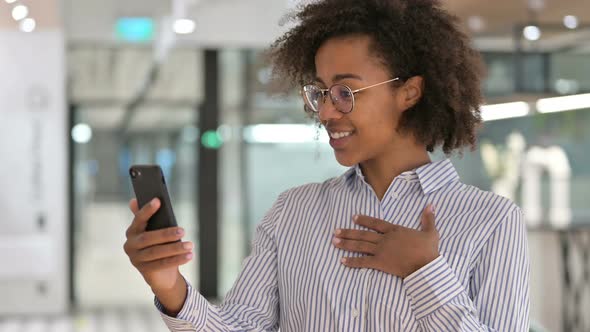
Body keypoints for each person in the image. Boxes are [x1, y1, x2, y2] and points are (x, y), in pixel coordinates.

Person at [123, 0, 530, 330]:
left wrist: (424, 272)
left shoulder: (492, 222)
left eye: (346, 92)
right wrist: (169, 284)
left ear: (409, 92)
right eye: (319, 93)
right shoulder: (293, 213)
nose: (326, 112)